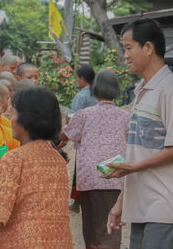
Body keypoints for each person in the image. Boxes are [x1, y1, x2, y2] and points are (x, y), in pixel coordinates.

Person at [106, 18, 173, 249]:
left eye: (128, 48)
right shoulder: (143, 91)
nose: (124, 55)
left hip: (166, 210)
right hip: (143, 209)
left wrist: (134, 167)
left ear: (148, 48)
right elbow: (139, 153)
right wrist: (120, 203)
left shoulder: (170, 89)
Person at [0, 87, 73, 248]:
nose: (10, 119)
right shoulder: (57, 160)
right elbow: (23, 198)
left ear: (26, 120)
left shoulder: (14, 158)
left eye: (14, 114)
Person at [60, 69, 129, 249]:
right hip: (113, 175)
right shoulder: (125, 117)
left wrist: (61, 120)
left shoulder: (84, 114)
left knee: (90, 228)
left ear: (95, 89)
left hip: (88, 177)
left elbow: (64, 136)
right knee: (108, 229)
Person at [68, 64, 98, 213]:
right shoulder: (100, 93)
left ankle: (77, 202)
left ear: (82, 79)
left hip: (84, 139)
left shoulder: (81, 96)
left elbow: (75, 120)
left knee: (80, 170)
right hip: (100, 139)